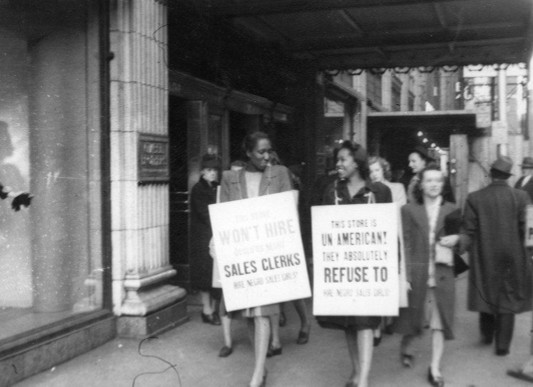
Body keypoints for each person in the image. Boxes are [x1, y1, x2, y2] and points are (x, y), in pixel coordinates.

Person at [219, 131, 292, 387]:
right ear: (248, 152)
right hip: (242, 255)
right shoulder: (230, 178)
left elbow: (288, 210)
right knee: (248, 313)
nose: (266, 156)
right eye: (261, 151)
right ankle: (260, 369)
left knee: (263, 313)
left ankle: (257, 373)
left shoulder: (280, 174)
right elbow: (225, 216)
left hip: (268, 253)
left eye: (269, 150)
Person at [317, 140, 392, 387]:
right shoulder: (332, 192)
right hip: (342, 271)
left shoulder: (379, 192)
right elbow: (324, 233)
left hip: (368, 271)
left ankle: (364, 381)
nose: (338, 164)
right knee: (349, 323)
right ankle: (357, 370)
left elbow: (389, 232)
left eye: (343, 160)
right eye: (337, 160)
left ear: (357, 162)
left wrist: (395, 268)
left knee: (365, 322)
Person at [394, 165, 466, 387]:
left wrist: (458, 240)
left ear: (443, 185)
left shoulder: (452, 209)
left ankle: (434, 368)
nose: (434, 184)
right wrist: (403, 275)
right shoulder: (408, 210)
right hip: (416, 273)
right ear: (421, 184)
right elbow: (404, 243)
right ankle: (407, 344)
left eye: (438, 181)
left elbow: (466, 238)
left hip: (443, 273)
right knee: (413, 319)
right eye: (429, 180)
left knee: (438, 322)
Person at [463, 156, 532, 356]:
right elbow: (528, 230)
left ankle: (487, 335)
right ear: (508, 176)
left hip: (484, 253)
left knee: (486, 291)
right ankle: (502, 346)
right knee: (507, 296)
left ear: (490, 174)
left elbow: (469, 229)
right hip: (513, 255)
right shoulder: (521, 197)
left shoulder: (474, 198)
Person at [190, 154, 222, 326]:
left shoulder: (217, 188)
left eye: (215, 170)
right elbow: (204, 214)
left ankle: (214, 309)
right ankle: (206, 309)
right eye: (209, 170)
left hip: (215, 234)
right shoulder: (198, 189)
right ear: (202, 171)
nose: (212, 173)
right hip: (203, 237)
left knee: (215, 273)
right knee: (205, 275)